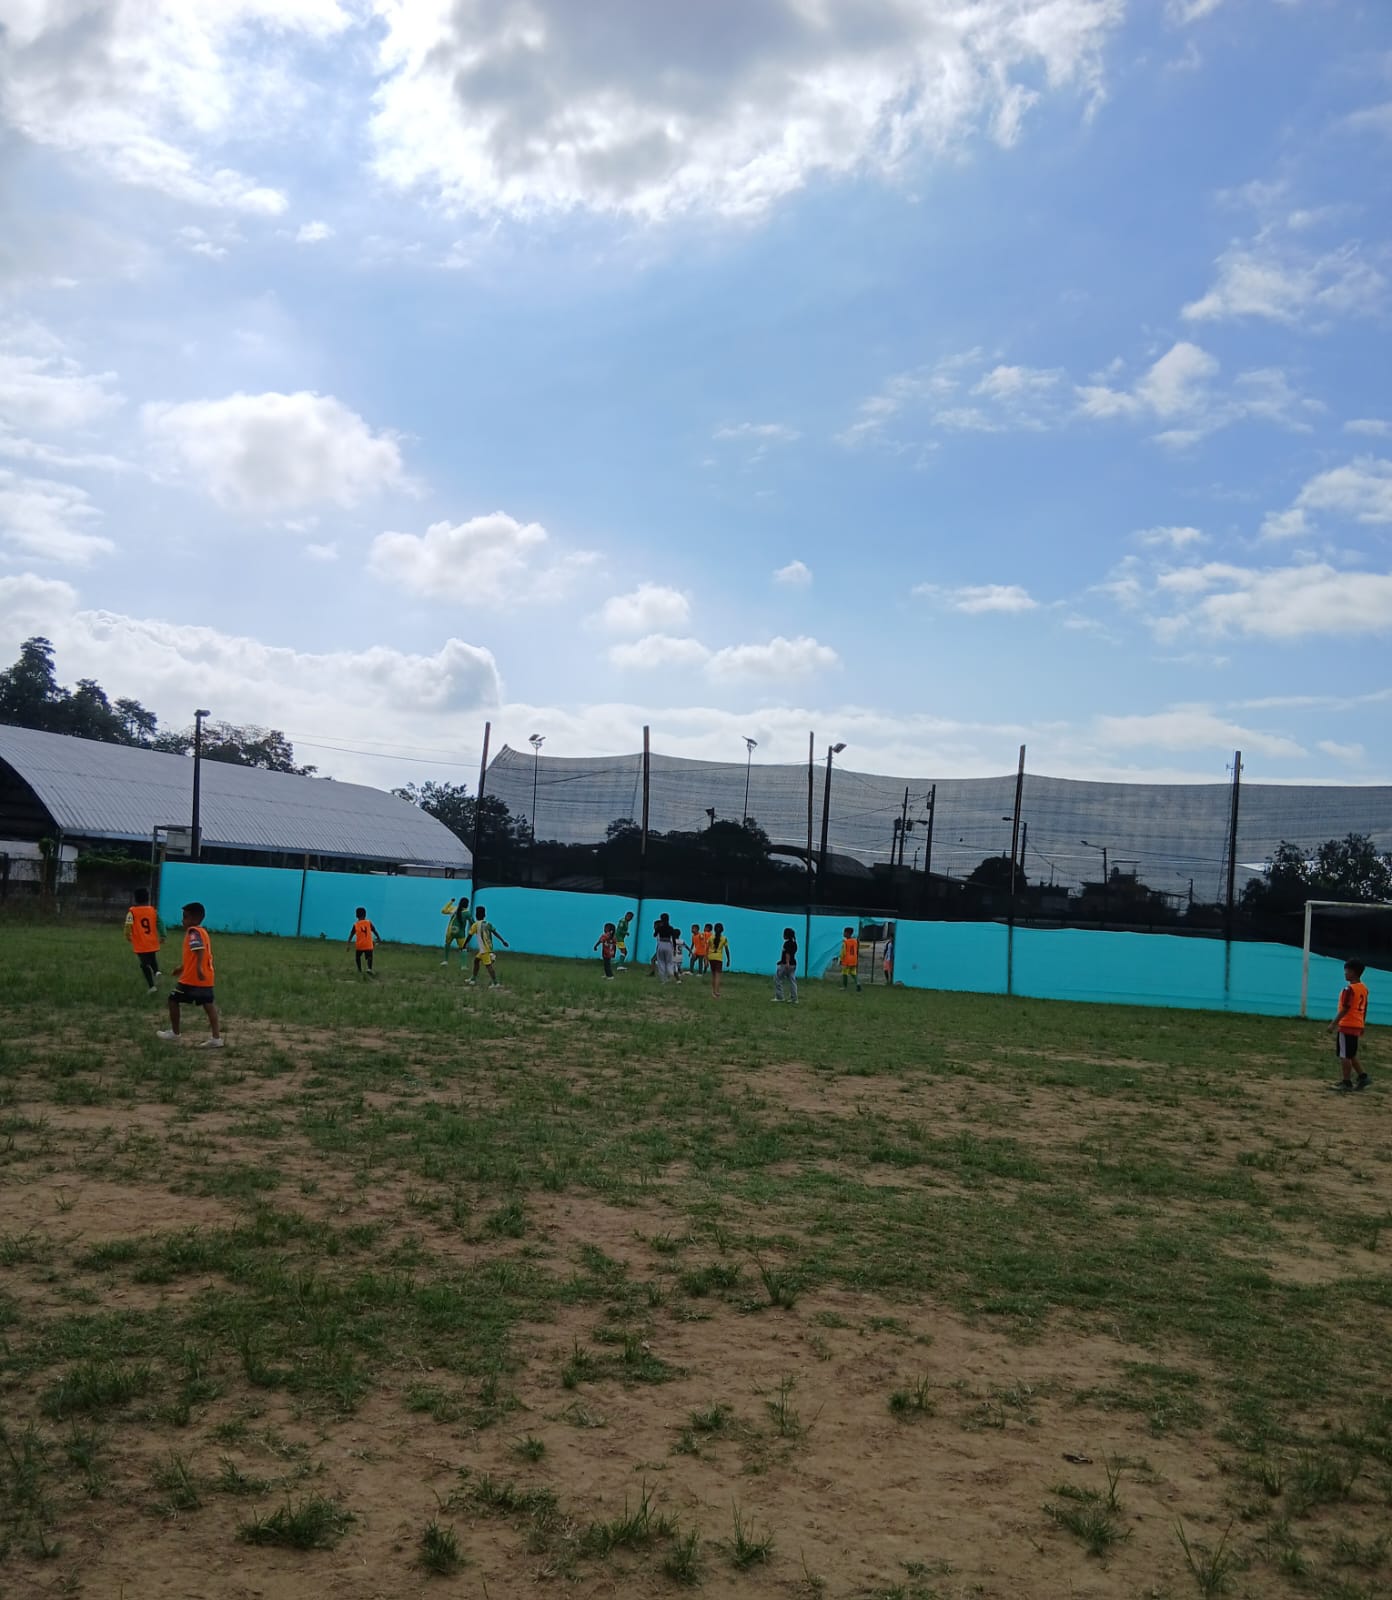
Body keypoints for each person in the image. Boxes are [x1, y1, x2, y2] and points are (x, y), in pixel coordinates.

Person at [156, 902, 222, 1047]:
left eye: (185, 917)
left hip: (192, 979)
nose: (182, 920)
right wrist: (182, 968)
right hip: (206, 978)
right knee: (209, 1005)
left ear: (194, 919)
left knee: (173, 999)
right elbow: (195, 955)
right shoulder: (203, 932)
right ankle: (216, 1038)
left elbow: (199, 950)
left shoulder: (193, 932)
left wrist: (198, 969)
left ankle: (175, 1033)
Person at [1329, 959, 1370, 1092]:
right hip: (1357, 1024)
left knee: (1344, 1055)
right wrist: (1362, 1024)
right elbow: (1364, 1007)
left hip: (1347, 1024)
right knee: (1351, 1053)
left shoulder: (1349, 989)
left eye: (1347, 971)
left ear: (1354, 972)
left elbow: (1346, 1008)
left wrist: (1333, 1023)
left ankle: (1346, 1082)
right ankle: (1363, 1076)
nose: (1345, 973)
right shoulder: (1363, 988)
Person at [124, 887, 162, 995]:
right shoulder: (153, 910)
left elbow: (128, 924)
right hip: (152, 941)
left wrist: (127, 935)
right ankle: (156, 971)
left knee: (144, 964)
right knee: (152, 958)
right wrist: (163, 934)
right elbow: (160, 922)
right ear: (147, 899)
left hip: (140, 942)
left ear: (135, 899)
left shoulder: (132, 912)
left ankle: (152, 986)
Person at [465, 905, 509, 987]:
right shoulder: (488, 924)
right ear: (484, 915)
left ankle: (495, 983)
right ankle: (473, 979)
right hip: (488, 947)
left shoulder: (475, 925)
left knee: (488, 966)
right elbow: (495, 932)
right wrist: (503, 941)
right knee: (476, 960)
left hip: (484, 950)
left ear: (476, 915)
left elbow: (469, 936)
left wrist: (464, 945)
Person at [348, 907, 380, 979]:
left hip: (359, 945)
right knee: (369, 957)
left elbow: (351, 935)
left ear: (356, 915)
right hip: (368, 945)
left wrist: (348, 944)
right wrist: (378, 938)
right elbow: (374, 931)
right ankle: (369, 969)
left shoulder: (356, 925)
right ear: (365, 915)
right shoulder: (368, 922)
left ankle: (359, 970)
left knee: (357, 957)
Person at [440, 897, 471, 966]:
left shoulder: (454, 909)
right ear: (467, 904)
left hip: (450, 931)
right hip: (460, 933)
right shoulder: (467, 913)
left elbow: (443, 911)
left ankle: (445, 961)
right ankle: (463, 966)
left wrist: (451, 902)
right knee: (463, 948)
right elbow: (472, 922)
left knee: (447, 944)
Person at [774, 927, 798, 1004]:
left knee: (778, 979)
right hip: (793, 964)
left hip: (786, 965)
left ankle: (780, 997)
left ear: (787, 935)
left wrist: (787, 962)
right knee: (792, 981)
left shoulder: (787, 944)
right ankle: (794, 998)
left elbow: (787, 954)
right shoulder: (794, 943)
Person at [653, 913, 679, 983]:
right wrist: (674, 948)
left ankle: (663, 979)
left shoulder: (659, 928)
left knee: (661, 962)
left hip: (661, 944)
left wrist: (657, 928)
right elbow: (673, 939)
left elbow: (654, 935)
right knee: (669, 961)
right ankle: (670, 972)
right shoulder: (670, 928)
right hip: (668, 944)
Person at [708, 922, 730, 998]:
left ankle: (713, 991)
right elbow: (727, 950)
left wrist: (706, 959)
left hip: (711, 957)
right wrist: (728, 959)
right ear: (722, 930)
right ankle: (717, 992)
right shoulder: (724, 939)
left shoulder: (711, 938)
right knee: (717, 976)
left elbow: (707, 948)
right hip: (718, 958)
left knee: (713, 975)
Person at [840, 926, 862, 992]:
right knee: (853, 973)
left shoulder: (845, 942)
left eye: (844, 932)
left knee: (845, 973)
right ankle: (858, 983)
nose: (843, 933)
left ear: (847, 933)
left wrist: (841, 959)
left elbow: (843, 952)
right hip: (854, 959)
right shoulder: (855, 941)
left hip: (847, 960)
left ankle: (844, 987)